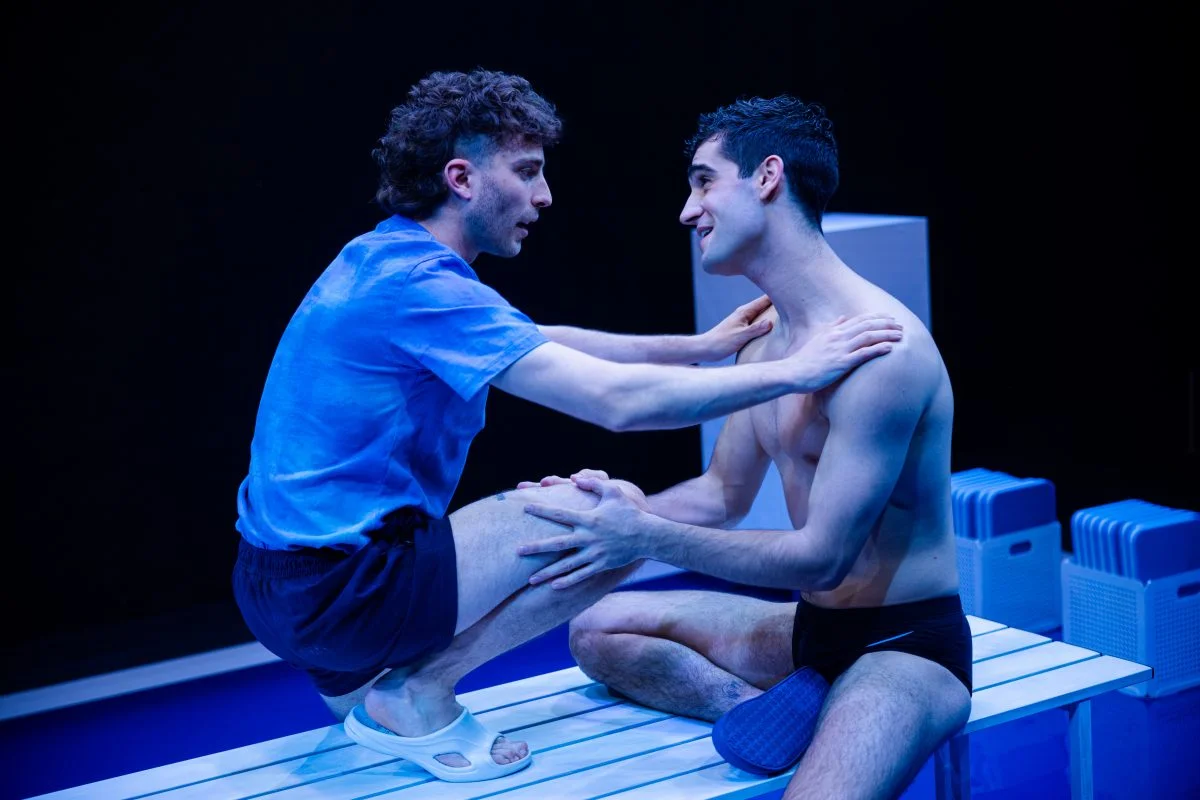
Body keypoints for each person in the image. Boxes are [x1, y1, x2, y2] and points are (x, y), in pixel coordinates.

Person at [230, 70, 904, 784]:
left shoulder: (384, 259)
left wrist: (699, 348)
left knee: (374, 747)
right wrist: (797, 370)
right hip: (342, 589)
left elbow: (544, 338)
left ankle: (386, 689)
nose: (545, 195)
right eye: (526, 171)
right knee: (609, 515)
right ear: (461, 179)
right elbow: (618, 404)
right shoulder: (420, 285)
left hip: (274, 585)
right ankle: (421, 688)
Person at [518, 94, 971, 800]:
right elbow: (721, 495)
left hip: (903, 646)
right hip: (812, 630)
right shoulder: (766, 344)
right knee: (598, 627)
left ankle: (830, 721)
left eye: (703, 182)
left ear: (767, 177)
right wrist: (602, 516)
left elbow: (822, 557)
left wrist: (643, 535)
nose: (687, 212)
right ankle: (762, 710)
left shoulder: (882, 350)